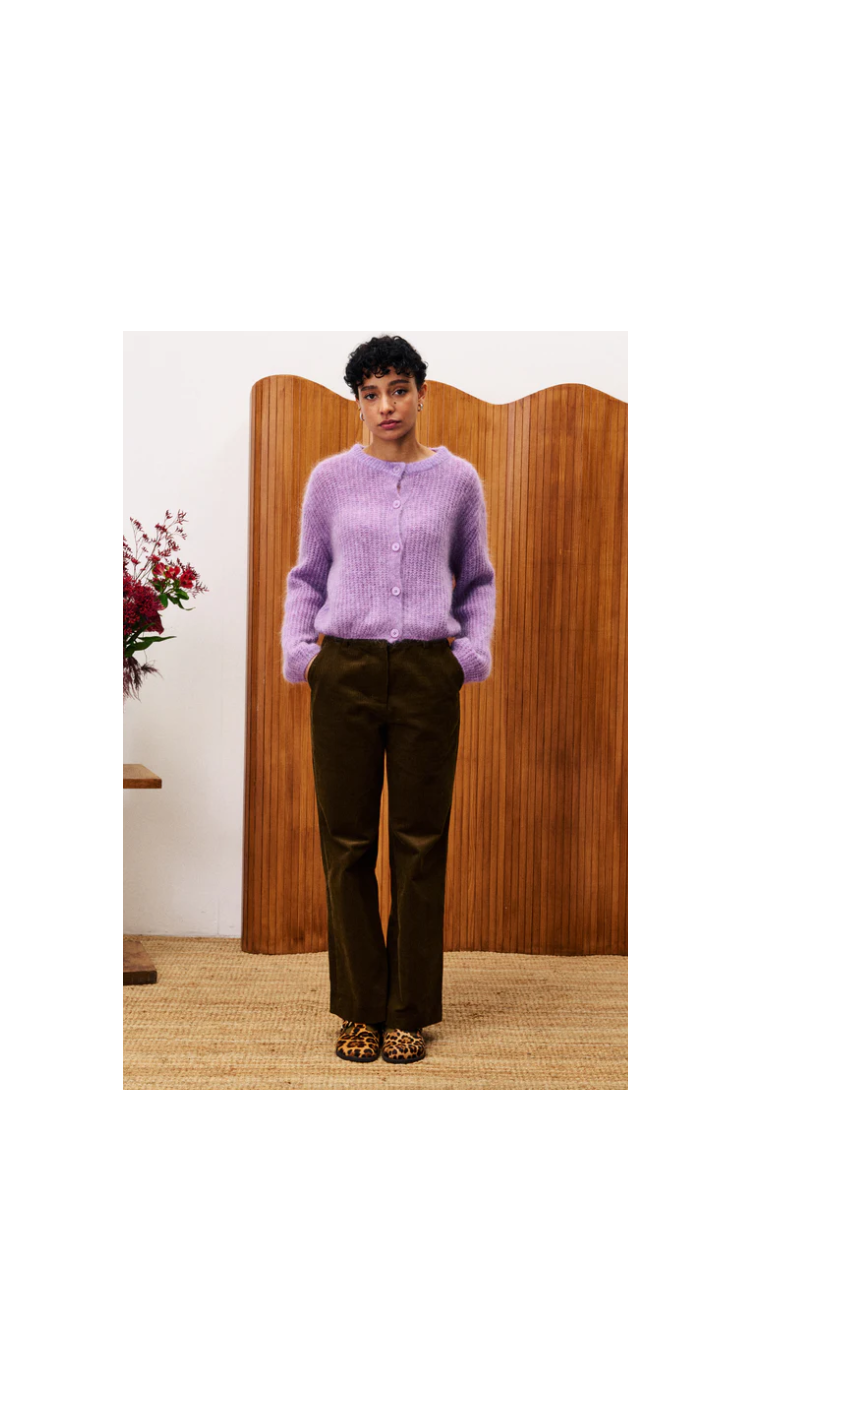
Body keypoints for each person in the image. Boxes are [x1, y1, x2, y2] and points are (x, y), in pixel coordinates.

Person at [280, 335, 496, 1065]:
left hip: (427, 675)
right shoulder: (330, 480)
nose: (386, 406)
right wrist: (303, 654)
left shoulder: (458, 481)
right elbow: (307, 576)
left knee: (420, 844)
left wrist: (467, 655)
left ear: (422, 393)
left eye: (398, 389)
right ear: (358, 403)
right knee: (347, 845)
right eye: (371, 394)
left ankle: (408, 1010)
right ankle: (359, 1008)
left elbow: (478, 579)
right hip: (343, 669)